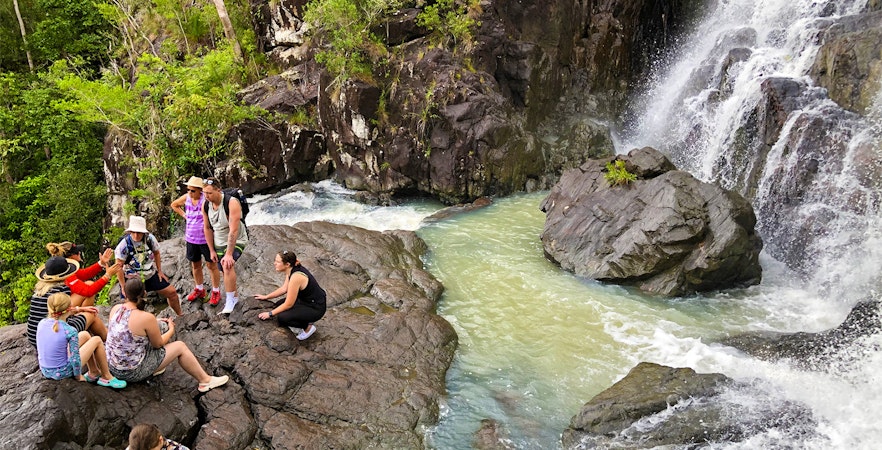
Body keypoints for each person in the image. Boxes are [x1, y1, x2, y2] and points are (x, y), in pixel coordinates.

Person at [106, 278, 229, 392]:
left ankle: (156, 366)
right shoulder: (146, 318)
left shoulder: (116, 308)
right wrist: (171, 329)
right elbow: (158, 344)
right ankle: (205, 381)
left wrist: (157, 322)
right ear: (144, 293)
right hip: (131, 372)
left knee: (160, 326)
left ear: (124, 292)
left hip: (113, 367)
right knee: (180, 346)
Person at [36, 292, 126, 389]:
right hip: (62, 372)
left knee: (85, 335)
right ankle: (106, 377)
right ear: (69, 308)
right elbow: (75, 360)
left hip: (46, 370)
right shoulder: (70, 331)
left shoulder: (42, 323)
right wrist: (78, 376)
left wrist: (79, 309)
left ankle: (94, 372)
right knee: (97, 340)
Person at [27, 255, 108, 345]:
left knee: (85, 313)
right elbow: (65, 314)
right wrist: (107, 275)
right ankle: (109, 339)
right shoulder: (61, 289)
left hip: (35, 336)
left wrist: (80, 309)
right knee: (91, 314)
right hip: (55, 335)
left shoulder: (38, 290)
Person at [115, 215, 183, 316]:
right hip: (132, 279)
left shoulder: (150, 239)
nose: (136, 235)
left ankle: (180, 315)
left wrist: (159, 271)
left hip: (150, 274)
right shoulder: (124, 245)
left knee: (172, 292)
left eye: (139, 232)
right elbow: (118, 267)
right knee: (131, 306)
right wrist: (123, 286)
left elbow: (156, 253)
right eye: (133, 232)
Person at [170, 176, 221, 305]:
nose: (190, 193)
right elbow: (174, 205)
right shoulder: (187, 198)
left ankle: (216, 291)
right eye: (188, 190)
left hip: (205, 239)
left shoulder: (206, 200)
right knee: (195, 265)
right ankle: (199, 289)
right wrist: (184, 215)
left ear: (200, 191)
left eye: (193, 190)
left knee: (211, 265)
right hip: (191, 238)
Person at [201, 178, 248, 314]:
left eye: (209, 193)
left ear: (218, 190)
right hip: (218, 240)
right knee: (222, 268)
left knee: (227, 265)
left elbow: (233, 230)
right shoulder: (206, 205)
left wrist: (229, 254)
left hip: (237, 238)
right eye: (204, 193)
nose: (206, 196)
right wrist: (211, 250)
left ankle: (230, 301)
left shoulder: (231, 203)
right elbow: (207, 228)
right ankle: (235, 296)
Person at [256, 250, 326, 340]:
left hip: (316, 307)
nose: (274, 263)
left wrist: (269, 314)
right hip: (305, 301)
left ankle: (308, 327)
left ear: (287, 264)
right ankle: (304, 318)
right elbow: (284, 289)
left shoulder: (296, 277)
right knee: (278, 305)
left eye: (277, 262)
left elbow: (289, 304)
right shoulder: (291, 269)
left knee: (282, 318)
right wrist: (266, 296)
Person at [46, 241, 122, 307]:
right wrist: (107, 276)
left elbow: (84, 274)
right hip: (60, 308)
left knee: (89, 283)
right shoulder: (67, 275)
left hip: (57, 305)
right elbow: (89, 291)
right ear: (70, 257)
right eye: (76, 252)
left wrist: (101, 263)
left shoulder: (62, 270)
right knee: (89, 288)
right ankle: (83, 318)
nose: (79, 253)